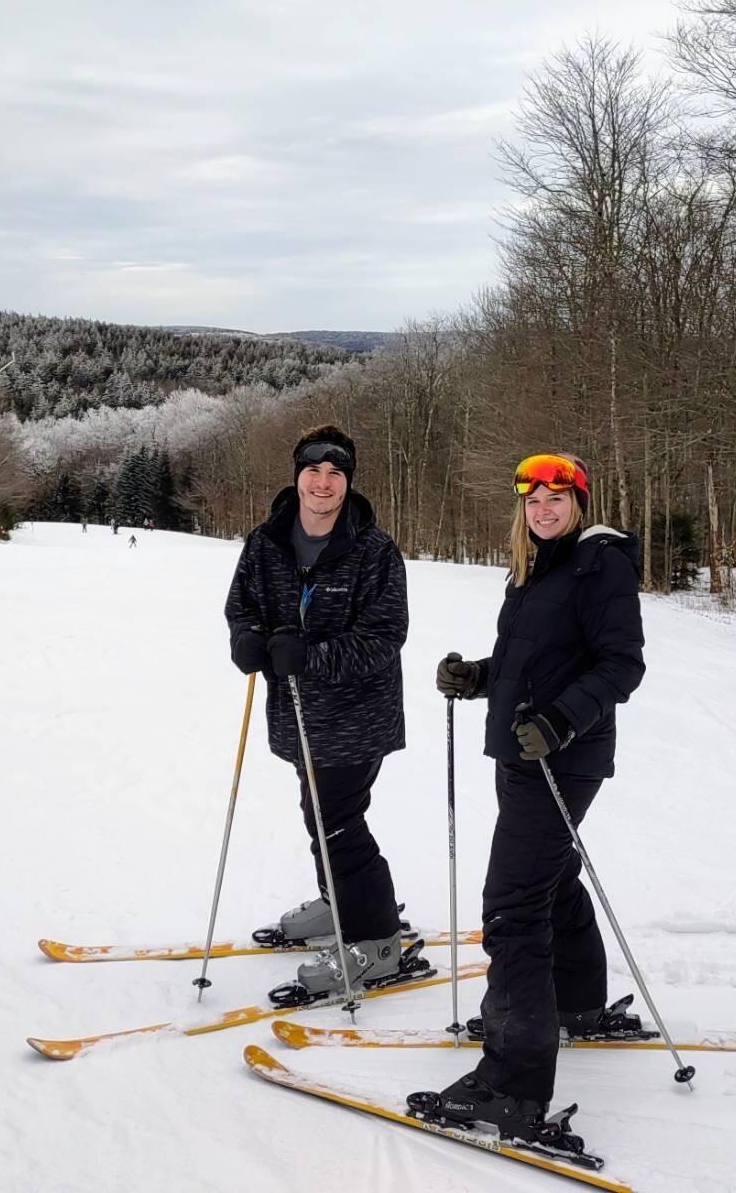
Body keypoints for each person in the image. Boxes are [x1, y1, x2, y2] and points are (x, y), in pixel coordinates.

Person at [421, 452, 646, 1141]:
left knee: (513, 906)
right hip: (524, 754)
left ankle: (512, 1084)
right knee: (546, 880)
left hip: (563, 757)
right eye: (533, 499)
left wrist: (561, 719)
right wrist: (478, 677)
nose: (543, 509)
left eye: (557, 497)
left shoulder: (598, 562)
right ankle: (573, 1004)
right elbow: (534, 665)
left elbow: (622, 664)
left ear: (578, 501)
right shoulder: (533, 567)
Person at [224, 424, 409, 995]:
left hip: (356, 717)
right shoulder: (266, 542)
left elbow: (385, 636)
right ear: (297, 476)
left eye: (335, 474)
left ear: (347, 483)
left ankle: (377, 941)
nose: (323, 483)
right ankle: (337, 902)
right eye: (313, 471)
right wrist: (246, 639)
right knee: (319, 815)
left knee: (339, 822)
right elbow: (241, 606)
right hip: (296, 714)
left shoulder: (373, 551)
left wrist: (312, 655)